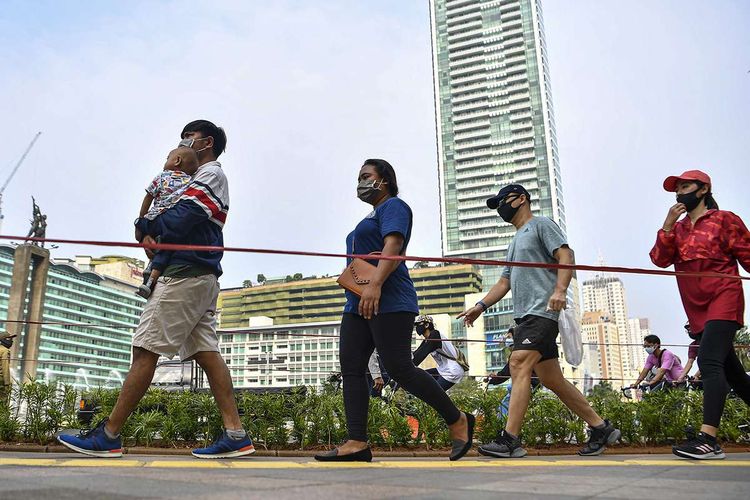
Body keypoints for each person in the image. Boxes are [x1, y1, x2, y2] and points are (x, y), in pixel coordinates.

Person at [59, 120, 255, 459]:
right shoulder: (195, 179)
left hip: (184, 275)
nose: (182, 143)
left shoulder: (211, 175)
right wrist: (150, 231)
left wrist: (144, 225)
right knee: (207, 354)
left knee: (145, 350)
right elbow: (175, 218)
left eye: (187, 138)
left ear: (205, 142)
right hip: (199, 276)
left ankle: (109, 434)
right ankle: (236, 434)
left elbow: (182, 217)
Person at [314, 159, 474, 462]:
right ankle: (357, 441)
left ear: (384, 180)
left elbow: (394, 244)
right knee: (351, 367)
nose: (360, 182)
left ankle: (458, 420)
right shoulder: (371, 215)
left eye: (366, 176)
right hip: (357, 302)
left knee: (399, 366)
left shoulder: (394, 206)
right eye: (358, 177)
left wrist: (374, 285)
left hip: (390, 299)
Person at [458, 184, 620, 458]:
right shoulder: (515, 240)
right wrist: (480, 306)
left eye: (503, 201)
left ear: (522, 199)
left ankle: (510, 439)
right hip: (525, 317)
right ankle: (600, 427)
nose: (500, 208)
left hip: (542, 312)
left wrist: (559, 290)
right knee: (552, 379)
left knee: (518, 363)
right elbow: (505, 280)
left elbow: (566, 255)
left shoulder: (541, 225)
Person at [650, 169, 750, 460]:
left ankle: (709, 440)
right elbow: (660, 260)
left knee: (708, 362)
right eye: (677, 188)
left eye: (685, 186)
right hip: (696, 307)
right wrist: (667, 226)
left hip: (724, 297)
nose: (680, 192)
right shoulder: (677, 229)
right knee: (735, 374)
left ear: (703, 189)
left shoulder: (724, 220)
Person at [136, 146, 200, 298]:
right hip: (170, 222)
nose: (165, 162)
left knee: (145, 234)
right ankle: (150, 281)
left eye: (167, 158)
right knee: (166, 249)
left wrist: (140, 221)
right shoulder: (191, 182)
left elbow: (148, 197)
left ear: (177, 160)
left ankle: (149, 264)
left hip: (153, 219)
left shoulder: (162, 176)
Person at [411, 315, 466, 391]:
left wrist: (407, 368)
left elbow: (421, 355)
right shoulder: (427, 340)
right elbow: (416, 353)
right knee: (418, 377)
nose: (417, 327)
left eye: (419, 324)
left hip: (452, 370)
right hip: (443, 369)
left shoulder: (435, 334)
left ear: (426, 325)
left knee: (433, 394)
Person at [0, 334, 12, 405]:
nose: (11, 341)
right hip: (1, 380)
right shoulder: (5, 351)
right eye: (9, 339)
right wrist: (7, 383)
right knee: (3, 403)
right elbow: (5, 367)